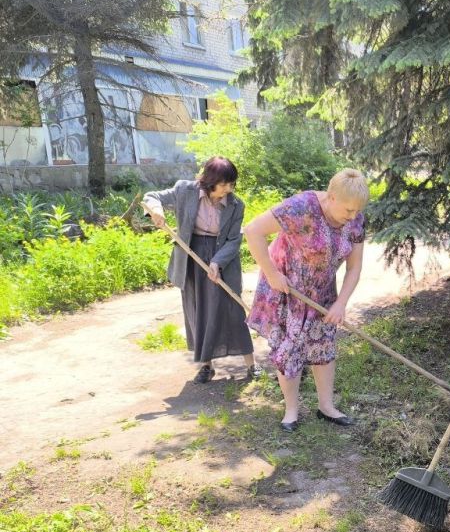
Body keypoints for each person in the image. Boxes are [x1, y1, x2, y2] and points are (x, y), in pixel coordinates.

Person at [244, 169, 369, 432]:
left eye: (358, 210)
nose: (353, 216)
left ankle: (327, 406)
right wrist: (272, 273)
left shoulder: (355, 218)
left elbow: (354, 268)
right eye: (348, 210)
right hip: (287, 289)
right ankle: (291, 411)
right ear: (331, 197)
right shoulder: (302, 207)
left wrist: (341, 303)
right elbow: (253, 230)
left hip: (322, 293)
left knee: (323, 345)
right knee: (289, 348)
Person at [143, 156, 258, 383]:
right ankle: (206, 365)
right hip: (191, 257)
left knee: (232, 309)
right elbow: (151, 197)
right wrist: (156, 211)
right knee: (198, 310)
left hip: (221, 257)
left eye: (231, 184)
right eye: (224, 184)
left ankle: (251, 365)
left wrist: (217, 262)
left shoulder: (236, 205)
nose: (228, 189)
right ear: (209, 180)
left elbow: (234, 240)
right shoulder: (184, 190)